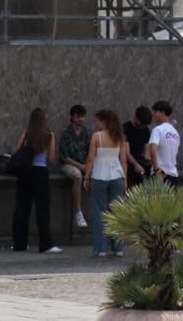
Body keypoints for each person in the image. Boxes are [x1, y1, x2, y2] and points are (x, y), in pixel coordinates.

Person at [11, 107, 62, 254]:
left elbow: (18, 150)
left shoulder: (27, 133)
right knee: (42, 210)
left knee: (22, 209)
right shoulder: (49, 135)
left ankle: (20, 243)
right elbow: (51, 157)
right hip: (40, 173)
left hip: (25, 173)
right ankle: (45, 244)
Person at [83, 108, 128, 257]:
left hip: (99, 175)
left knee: (99, 212)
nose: (96, 124)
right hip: (117, 176)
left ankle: (101, 249)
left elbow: (90, 159)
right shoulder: (120, 137)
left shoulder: (97, 137)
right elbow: (123, 160)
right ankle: (118, 248)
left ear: (104, 122)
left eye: (97, 121)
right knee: (116, 212)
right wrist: (125, 179)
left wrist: (86, 177)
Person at [58, 103, 91, 228]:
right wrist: (80, 166)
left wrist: (87, 167)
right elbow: (64, 156)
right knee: (77, 176)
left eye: (82, 116)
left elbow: (91, 153)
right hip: (68, 164)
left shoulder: (88, 133)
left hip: (85, 164)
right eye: (78, 116)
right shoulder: (66, 133)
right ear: (72, 117)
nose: (81, 119)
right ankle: (78, 213)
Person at [149, 100, 180, 184]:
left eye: (155, 111)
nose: (153, 114)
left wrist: (156, 170)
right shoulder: (175, 132)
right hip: (173, 175)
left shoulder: (157, 130)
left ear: (163, 112)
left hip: (160, 174)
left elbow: (152, 150)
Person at [123, 105, 152, 187]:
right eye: (141, 123)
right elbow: (126, 152)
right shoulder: (125, 128)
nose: (142, 126)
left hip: (140, 164)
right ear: (135, 117)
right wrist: (136, 165)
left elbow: (146, 153)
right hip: (127, 165)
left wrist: (149, 161)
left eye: (145, 125)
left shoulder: (146, 130)